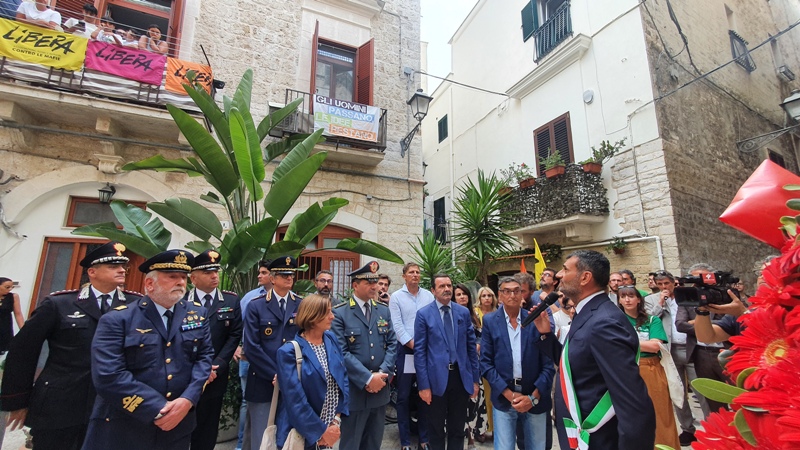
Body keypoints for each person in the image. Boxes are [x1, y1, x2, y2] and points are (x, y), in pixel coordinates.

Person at [1, 242, 139, 450]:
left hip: (112, 404)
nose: (121, 270)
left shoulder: (136, 305)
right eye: (113, 266)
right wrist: (17, 401)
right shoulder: (59, 304)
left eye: (122, 266)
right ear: (92, 272)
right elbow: (24, 351)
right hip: (60, 405)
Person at [83, 249, 214, 450]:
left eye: (183, 277)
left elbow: (204, 358)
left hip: (179, 425)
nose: (180, 282)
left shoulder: (197, 314)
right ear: (150, 284)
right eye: (172, 277)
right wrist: (157, 408)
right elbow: (108, 375)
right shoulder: (118, 319)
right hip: (126, 424)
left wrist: (188, 400)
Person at [551, 250, 655, 450]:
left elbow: (632, 402)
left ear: (585, 277)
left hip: (602, 440)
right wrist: (546, 336)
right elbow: (576, 364)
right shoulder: (588, 313)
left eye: (565, 269)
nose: (559, 275)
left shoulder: (604, 322)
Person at [480, 277, 555, 450]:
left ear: (522, 294)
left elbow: (548, 364)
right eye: (507, 291)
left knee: (537, 447)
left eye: (516, 290)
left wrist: (533, 397)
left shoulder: (536, 319)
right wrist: (508, 394)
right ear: (500, 295)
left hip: (534, 398)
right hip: (504, 398)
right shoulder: (491, 322)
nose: (512, 295)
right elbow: (485, 363)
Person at [331, 261, 396, 450]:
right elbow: (341, 352)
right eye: (368, 282)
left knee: (373, 442)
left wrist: (382, 374)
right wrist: (367, 378)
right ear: (355, 285)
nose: (374, 286)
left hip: (380, 390)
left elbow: (392, 344)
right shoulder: (340, 313)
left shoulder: (382, 310)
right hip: (356, 391)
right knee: (351, 442)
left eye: (375, 281)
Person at [241, 256, 301, 450]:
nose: (289, 278)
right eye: (284, 275)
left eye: (291, 274)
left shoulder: (301, 304)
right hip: (263, 380)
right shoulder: (256, 305)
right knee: (261, 437)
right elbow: (251, 347)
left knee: (288, 437)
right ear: (272, 279)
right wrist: (276, 373)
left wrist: (288, 375)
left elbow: (304, 341)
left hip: (292, 380)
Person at [415, 273, 480, 450]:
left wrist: (475, 380)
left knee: (457, 428)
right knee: (435, 429)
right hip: (435, 379)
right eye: (442, 286)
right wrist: (423, 386)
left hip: (460, 377)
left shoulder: (463, 312)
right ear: (433, 290)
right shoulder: (423, 314)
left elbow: (470, 348)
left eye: (449, 286)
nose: (446, 289)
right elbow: (420, 352)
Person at [186, 250, 243, 450]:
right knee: (183, 425)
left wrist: (217, 365)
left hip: (215, 374)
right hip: (186, 374)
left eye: (216, 271)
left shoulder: (230, 301)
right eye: (208, 272)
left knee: (208, 426)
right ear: (193, 277)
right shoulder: (181, 300)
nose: (214, 276)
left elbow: (234, 335)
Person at [275, 294, 348, 449]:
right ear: (313, 317)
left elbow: (343, 378)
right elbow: (295, 400)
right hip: (303, 435)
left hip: (331, 430)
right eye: (327, 312)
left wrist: (336, 421)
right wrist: (321, 432)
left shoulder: (331, 338)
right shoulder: (288, 352)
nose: (332, 316)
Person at [617, 285, 680, 449]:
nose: (627, 299)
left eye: (631, 296)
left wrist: (627, 343)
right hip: (626, 369)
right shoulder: (616, 321)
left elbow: (655, 346)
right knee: (631, 417)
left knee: (661, 413)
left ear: (639, 299)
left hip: (651, 368)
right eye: (623, 296)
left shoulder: (653, 320)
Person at [388, 262, 435, 450]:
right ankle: (405, 441)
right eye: (411, 272)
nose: (415, 275)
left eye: (417, 272)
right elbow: (397, 326)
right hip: (407, 351)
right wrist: (414, 345)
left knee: (425, 393)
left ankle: (424, 439)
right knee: (404, 396)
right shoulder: (397, 297)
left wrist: (425, 346)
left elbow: (433, 321)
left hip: (427, 352)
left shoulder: (428, 296)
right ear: (404, 276)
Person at [234, 259, 271, 450]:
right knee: (246, 403)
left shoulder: (291, 298)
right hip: (248, 359)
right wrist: (236, 347)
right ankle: (242, 445)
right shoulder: (250, 298)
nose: (259, 276)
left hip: (271, 363)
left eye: (264, 272)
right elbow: (236, 326)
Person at [454, 284, 485, 450]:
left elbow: (481, 336)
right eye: (458, 294)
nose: (461, 297)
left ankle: (472, 433)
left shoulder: (475, 316)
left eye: (464, 294)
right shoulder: (450, 314)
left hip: (474, 364)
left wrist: (478, 345)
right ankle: (461, 432)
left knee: (474, 401)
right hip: (458, 365)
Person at [473, 285, 497, 442]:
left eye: (489, 295)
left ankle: (496, 428)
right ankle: (485, 428)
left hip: (497, 357)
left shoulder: (498, 312)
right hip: (480, 359)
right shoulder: (475, 314)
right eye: (484, 296)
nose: (487, 298)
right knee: (484, 396)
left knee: (496, 395)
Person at [0, 277, 25, 353]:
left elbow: (18, 314)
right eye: (7, 287)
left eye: (12, 287)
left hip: (4, 328)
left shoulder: (13, 297)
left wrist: (24, 330)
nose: (10, 289)